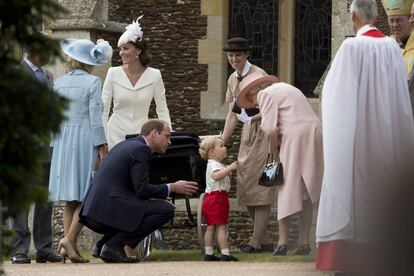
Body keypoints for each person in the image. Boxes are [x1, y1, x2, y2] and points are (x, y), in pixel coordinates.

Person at [315, 0, 414, 273]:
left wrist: (337, 143)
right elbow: (401, 101)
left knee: (355, 198)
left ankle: (349, 260)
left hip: (356, 142)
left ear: (354, 16)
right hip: (386, 140)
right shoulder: (394, 48)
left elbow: (336, 100)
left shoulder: (350, 47)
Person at [78, 119, 198, 263]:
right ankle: (113, 245)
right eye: (167, 136)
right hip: (107, 209)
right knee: (166, 210)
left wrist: (153, 198)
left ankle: (104, 243)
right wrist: (172, 187)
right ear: (154, 133)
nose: (170, 142)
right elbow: (142, 189)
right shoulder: (142, 149)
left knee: (153, 206)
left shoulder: (129, 145)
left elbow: (132, 187)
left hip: (96, 209)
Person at [236, 73, 323, 256]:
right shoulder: (287, 87)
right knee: (306, 189)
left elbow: (269, 128)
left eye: (250, 100)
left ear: (253, 91)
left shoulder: (265, 95)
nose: (254, 105)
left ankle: (282, 243)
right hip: (314, 132)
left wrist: (272, 153)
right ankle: (304, 242)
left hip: (293, 138)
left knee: (285, 187)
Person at [49, 38, 112, 263]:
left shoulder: (59, 82)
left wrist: (53, 142)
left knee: (70, 198)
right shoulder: (93, 82)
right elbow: (95, 117)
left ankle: (68, 245)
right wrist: (102, 144)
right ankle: (69, 241)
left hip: (63, 138)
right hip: (85, 138)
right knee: (87, 194)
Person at [8, 33, 62, 264]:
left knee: (45, 199)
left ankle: (44, 246)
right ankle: (19, 249)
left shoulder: (48, 76)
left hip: (48, 146)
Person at [221, 37, 276, 254]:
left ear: (246, 55)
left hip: (264, 131)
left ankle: (255, 241)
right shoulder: (232, 79)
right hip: (247, 135)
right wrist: (222, 140)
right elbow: (232, 114)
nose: (234, 59)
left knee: (261, 186)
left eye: (238, 55)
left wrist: (252, 119)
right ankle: (264, 238)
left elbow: (272, 108)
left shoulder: (259, 76)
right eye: (231, 55)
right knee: (246, 186)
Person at [102, 16, 171, 150]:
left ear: (138, 50)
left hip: (142, 137)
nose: (121, 53)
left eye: (126, 48)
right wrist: (103, 139)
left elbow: (162, 109)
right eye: (120, 49)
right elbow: (104, 110)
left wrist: (168, 136)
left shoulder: (155, 75)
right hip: (114, 135)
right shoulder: (113, 73)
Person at [199, 136, 238, 262]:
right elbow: (216, 176)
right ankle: (225, 253)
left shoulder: (217, 164)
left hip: (212, 198)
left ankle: (209, 252)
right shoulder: (214, 164)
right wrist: (229, 168)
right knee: (221, 227)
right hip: (217, 198)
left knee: (211, 227)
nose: (225, 148)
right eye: (221, 146)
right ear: (211, 152)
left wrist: (227, 171)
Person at [382, 0, 414, 80]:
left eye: (399, 20)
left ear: (410, 20)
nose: (395, 25)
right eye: (391, 20)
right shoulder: (385, 48)